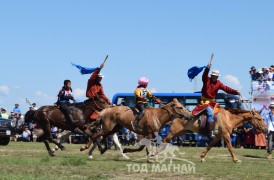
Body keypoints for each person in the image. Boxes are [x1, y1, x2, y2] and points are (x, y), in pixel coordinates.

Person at [192, 63, 240, 138]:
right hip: (204, 103)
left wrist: (235, 92)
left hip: (212, 102)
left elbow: (226, 89)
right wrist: (207, 68)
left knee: (220, 113)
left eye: (216, 76)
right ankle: (210, 131)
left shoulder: (219, 83)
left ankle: (217, 128)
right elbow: (204, 75)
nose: (214, 77)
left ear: (217, 77)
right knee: (210, 114)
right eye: (213, 76)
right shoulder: (206, 80)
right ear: (211, 75)